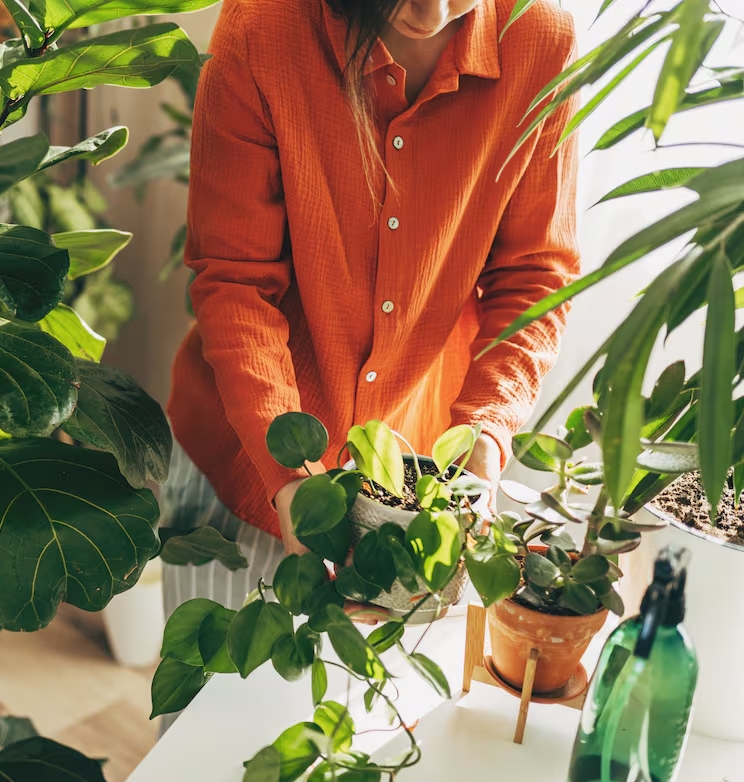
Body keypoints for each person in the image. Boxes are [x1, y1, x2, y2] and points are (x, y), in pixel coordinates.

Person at [161, 0, 581, 619]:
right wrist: (291, 479)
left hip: (412, 491)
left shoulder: (541, 41)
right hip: (241, 467)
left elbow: (534, 275)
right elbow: (236, 283)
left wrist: (486, 435)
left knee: (367, 715)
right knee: (214, 710)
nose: (430, 11)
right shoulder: (264, 25)